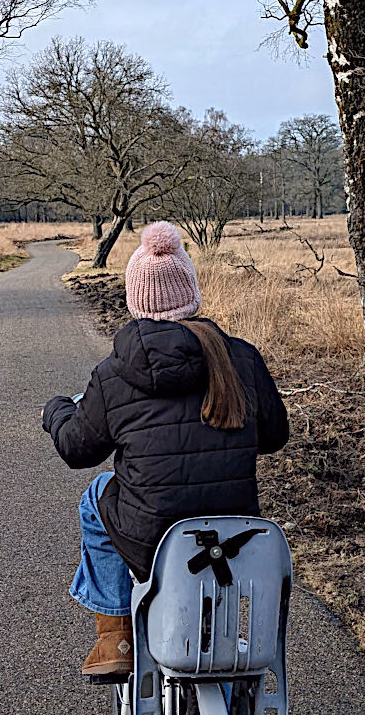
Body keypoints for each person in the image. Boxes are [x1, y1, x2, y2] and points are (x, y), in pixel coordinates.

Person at [41, 221, 290, 678]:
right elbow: (275, 437)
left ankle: (114, 633)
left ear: (136, 300)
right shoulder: (240, 358)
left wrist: (56, 412)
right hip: (235, 532)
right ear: (192, 292)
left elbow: (78, 450)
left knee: (96, 494)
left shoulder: (113, 373)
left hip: (150, 534)